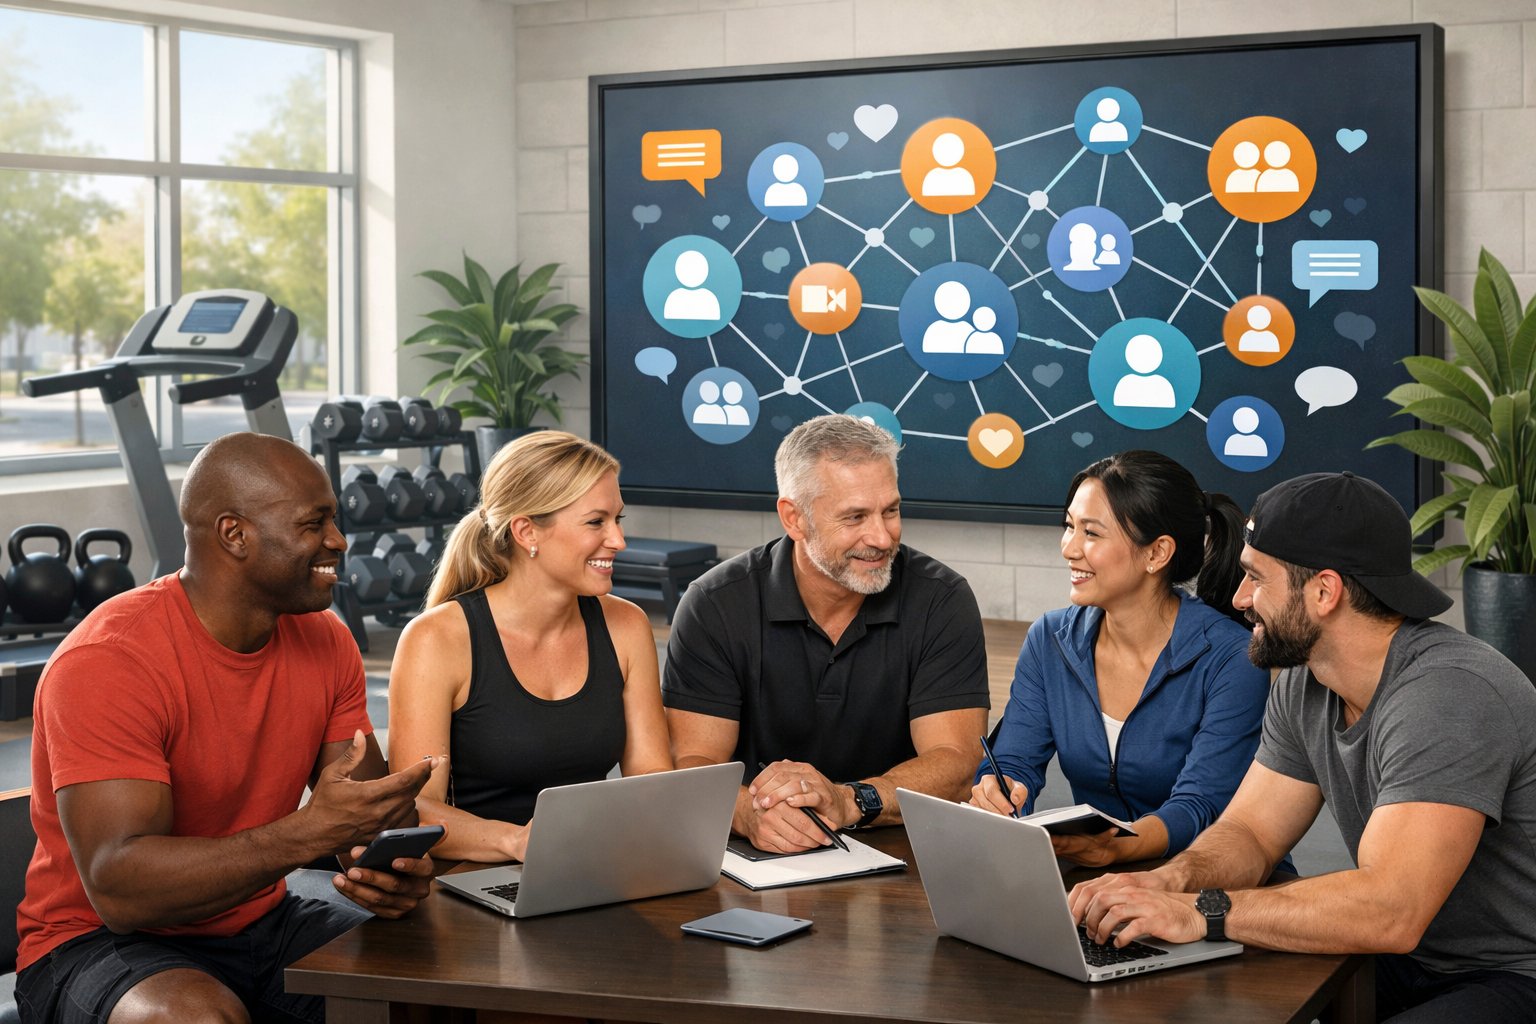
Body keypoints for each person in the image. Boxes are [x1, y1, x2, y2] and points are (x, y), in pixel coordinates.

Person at [1070, 471, 1536, 1021]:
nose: (1240, 599)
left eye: (1256, 578)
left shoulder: (1449, 693)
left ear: (1324, 591)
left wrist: (1200, 910)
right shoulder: (1306, 676)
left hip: (1509, 969)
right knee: (1169, 994)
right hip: (1398, 956)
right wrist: (1163, 882)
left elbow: (1391, 909)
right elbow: (1253, 833)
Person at [15, 432, 441, 1024]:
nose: (338, 542)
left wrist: (390, 872)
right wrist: (310, 834)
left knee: (438, 978)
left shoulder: (325, 640)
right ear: (234, 535)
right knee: (193, 1018)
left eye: (335, 520)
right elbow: (120, 891)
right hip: (93, 942)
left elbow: (360, 823)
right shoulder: (109, 661)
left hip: (258, 920)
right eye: (314, 524)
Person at [663, 414, 990, 853]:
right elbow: (692, 762)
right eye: (855, 517)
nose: (881, 536)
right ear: (793, 518)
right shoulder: (714, 603)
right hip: (755, 846)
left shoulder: (942, 599)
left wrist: (848, 800)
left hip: (902, 846)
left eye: (890, 510)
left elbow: (956, 762)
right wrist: (746, 812)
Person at [969, 450, 1270, 867]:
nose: (1069, 549)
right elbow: (1016, 759)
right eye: (1069, 526)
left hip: (1208, 881)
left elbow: (1200, 807)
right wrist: (999, 788)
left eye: (1091, 533)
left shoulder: (1232, 658)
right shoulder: (1050, 640)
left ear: (1157, 553)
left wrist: (1114, 847)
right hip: (1097, 875)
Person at [388, 431, 672, 864]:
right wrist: (516, 842)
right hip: (469, 875)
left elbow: (652, 779)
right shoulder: (436, 639)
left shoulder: (626, 625)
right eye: (596, 522)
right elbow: (415, 810)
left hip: (586, 864)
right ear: (526, 531)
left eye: (618, 519)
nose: (618, 540)